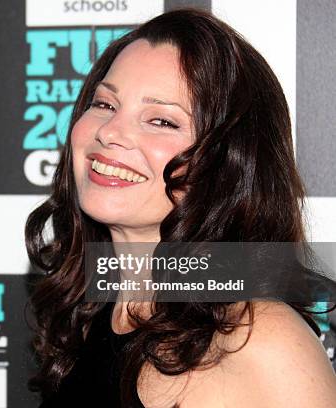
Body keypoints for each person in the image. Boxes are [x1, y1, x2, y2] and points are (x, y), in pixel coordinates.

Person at [25, 8, 336, 408]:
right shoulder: (94, 310)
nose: (110, 133)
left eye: (161, 121)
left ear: (227, 164)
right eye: (104, 104)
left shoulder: (255, 340)